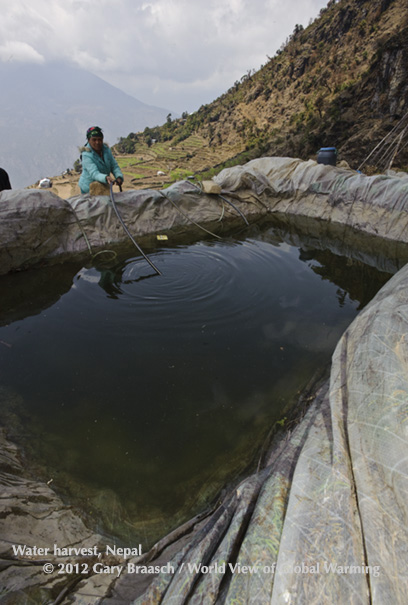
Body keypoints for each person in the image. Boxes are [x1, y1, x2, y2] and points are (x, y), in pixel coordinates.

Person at [78, 126, 124, 194]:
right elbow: (94, 173)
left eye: (100, 139)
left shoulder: (106, 150)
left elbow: (114, 166)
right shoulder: (86, 155)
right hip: (89, 189)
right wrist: (105, 178)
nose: (97, 142)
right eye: (94, 140)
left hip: (103, 186)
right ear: (88, 140)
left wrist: (119, 177)